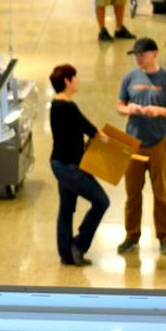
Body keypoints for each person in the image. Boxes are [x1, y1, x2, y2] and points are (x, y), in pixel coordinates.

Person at [115, 38, 166, 257]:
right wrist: (130, 109)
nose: (137, 59)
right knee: (132, 193)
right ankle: (131, 235)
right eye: (135, 55)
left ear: (154, 53)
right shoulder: (130, 77)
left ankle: (165, 237)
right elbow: (119, 106)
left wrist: (160, 111)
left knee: (161, 193)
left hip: (158, 144)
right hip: (132, 144)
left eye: (141, 55)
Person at [49, 63, 111, 267]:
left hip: (61, 163)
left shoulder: (56, 105)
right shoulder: (67, 106)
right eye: (75, 77)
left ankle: (66, 254)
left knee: (66, 208)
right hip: (69, 167)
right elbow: (87, 127)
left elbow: (73, 132)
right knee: (101, 201)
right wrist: (103, 138)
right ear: (67, 81)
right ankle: (79, 244)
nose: (78, 80)